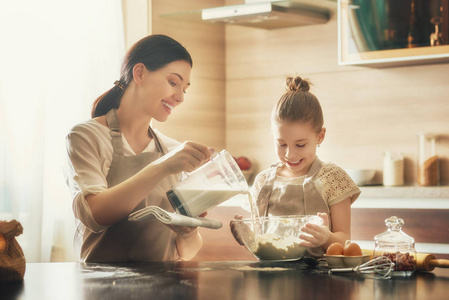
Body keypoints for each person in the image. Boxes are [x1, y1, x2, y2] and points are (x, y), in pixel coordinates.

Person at [65, 34, 213, 263]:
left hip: (166, 288)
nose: (180, 97)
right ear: (140, 73)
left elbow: (188, 251)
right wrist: (164, 166)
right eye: (173, 82)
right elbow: (96, 215)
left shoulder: (171, 149)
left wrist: (188, 231)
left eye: (185, 88)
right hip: (102, 288)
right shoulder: (86, 136)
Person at [232, 76, 361, 257]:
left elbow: (345, 242)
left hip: (320, 281)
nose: (289, 154)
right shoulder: (263, 181)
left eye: (300, 145)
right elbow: (261, 244)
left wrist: (326, 238)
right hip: (270, 278)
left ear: (320, 136)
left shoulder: (333, 178)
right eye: (281, 144)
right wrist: (247, 238)